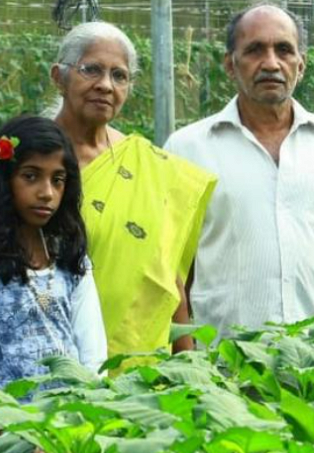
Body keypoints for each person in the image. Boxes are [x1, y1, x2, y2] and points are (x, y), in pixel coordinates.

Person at [164, 3, 314, 331]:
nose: (271, 63)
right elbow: (173, 271)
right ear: (230, 64)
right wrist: (186, 358)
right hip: (223, 365)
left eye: (283, 50)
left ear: (301, 65)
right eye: (255, 50)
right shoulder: (186, 149)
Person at [50, 22, 216, 360]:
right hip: (48, 353)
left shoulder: (150, 168)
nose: (105, 86)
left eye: (119, 76)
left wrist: (186, 367)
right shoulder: (28, 159)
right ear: (59, 77)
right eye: (91, 70)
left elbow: (168, 282)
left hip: (138, 369)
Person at [0, 115, 108, 417]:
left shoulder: (72, 261)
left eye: (57, 180)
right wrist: (25, 435)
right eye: (31, 176)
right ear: (4, 181)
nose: (46, 192)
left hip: (69, 432)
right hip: (0, 438)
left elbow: (94, 364)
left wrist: (69, 427)